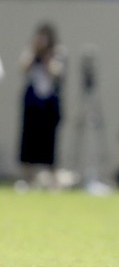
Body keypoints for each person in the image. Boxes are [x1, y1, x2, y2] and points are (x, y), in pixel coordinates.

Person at [17, 22, 67, 190]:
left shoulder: (57, 53)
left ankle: (51, 178)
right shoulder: (31, 52)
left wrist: (46, 56)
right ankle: (27, 178)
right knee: (29, 139)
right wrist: (34, 52)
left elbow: (56, 72)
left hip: (49, 104)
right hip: (33, 103)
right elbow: (23, 67)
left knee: (48, 142)